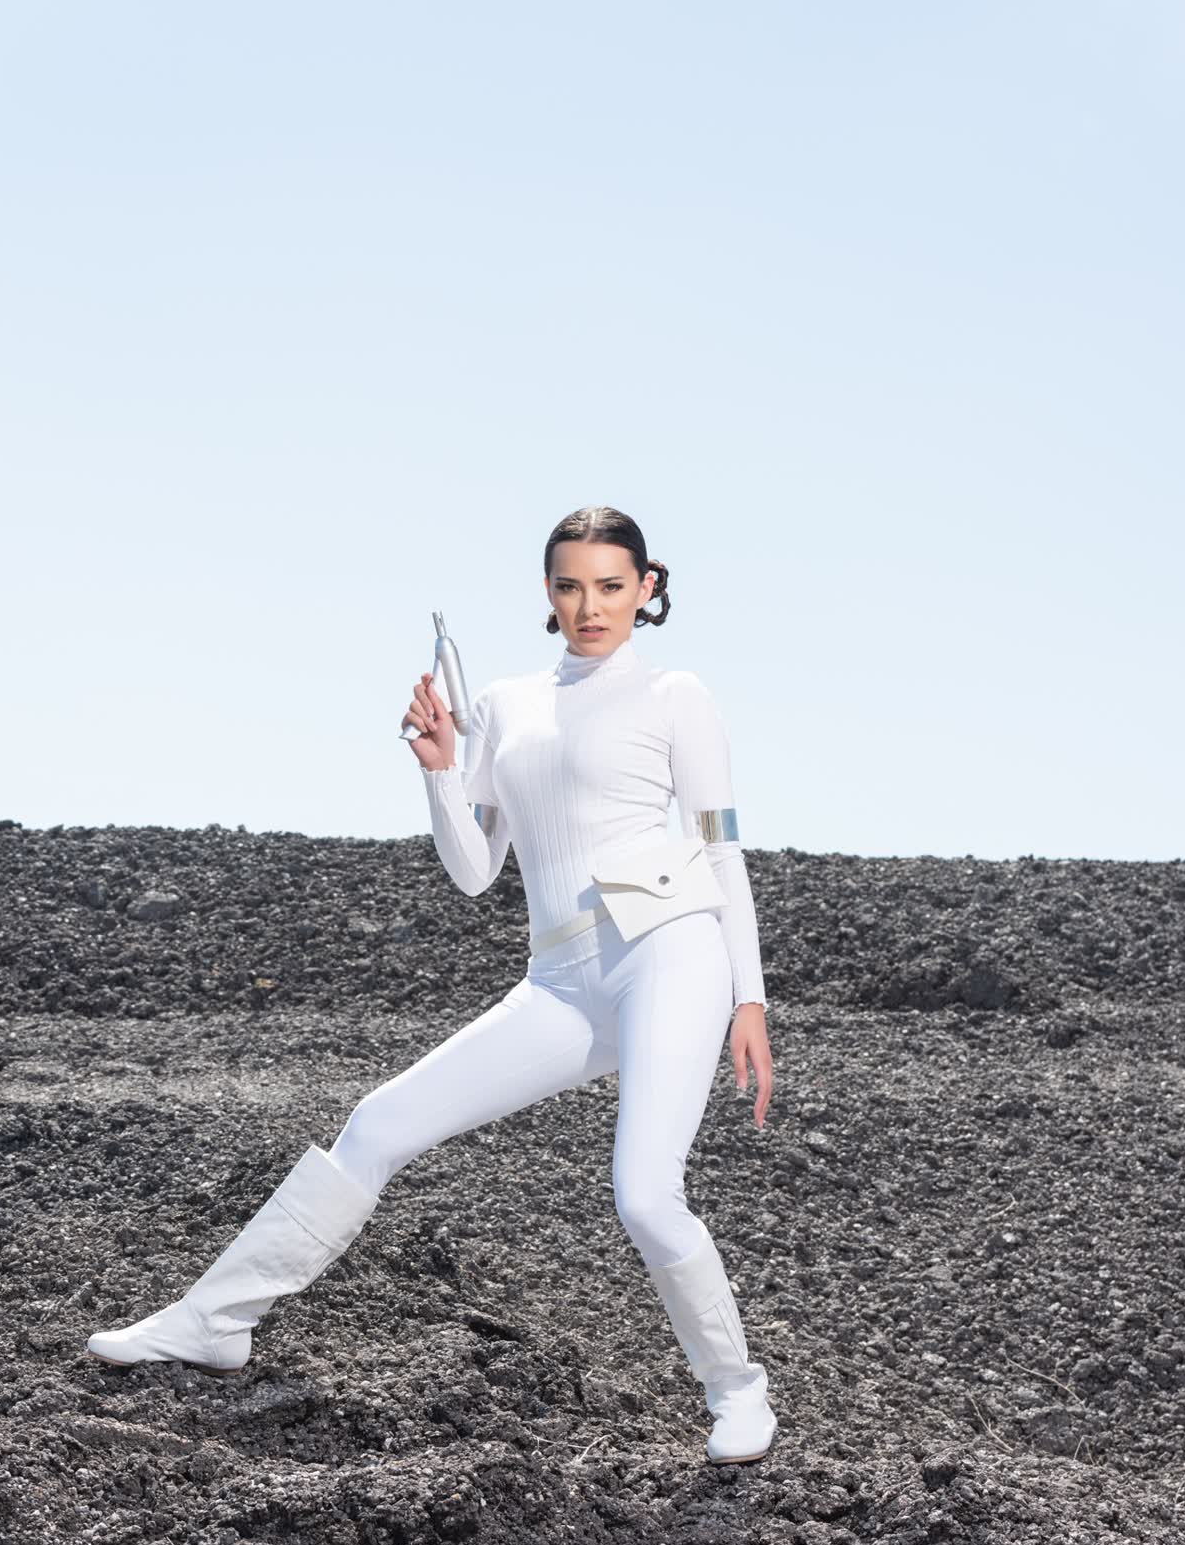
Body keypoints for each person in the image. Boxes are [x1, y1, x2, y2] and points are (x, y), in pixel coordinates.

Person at [86, 506, 778, 1465]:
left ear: (645, 589)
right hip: (558, 976)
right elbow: (473, 870)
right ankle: (216, 1322)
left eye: (612, 587)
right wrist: (442, 771)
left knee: (643, 1196)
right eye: (570, 586)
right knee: (377, 1124)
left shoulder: (674, 695)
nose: (590, 606)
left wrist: (749, 997)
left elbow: (718, 847)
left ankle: (737, 1390)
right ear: (548, 591)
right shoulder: (503, 702)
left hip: (665, 946)